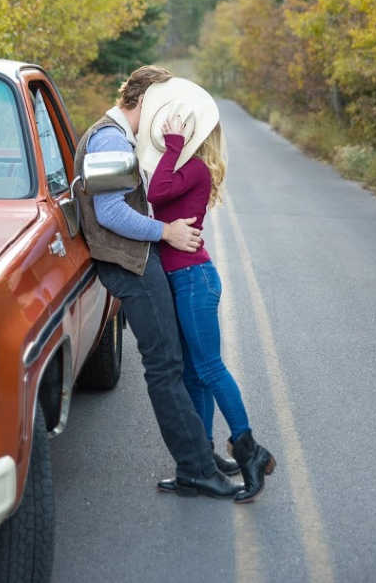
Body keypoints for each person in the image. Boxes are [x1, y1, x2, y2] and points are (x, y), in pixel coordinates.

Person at [73, 65, 239, 499]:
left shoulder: (118, 138)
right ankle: (194, 468)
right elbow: (110, 213)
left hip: (135, 260)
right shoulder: (109, 137)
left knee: (172, 363)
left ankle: (198, 459)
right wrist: (166, 233)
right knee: (165, 367)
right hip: (130, 264)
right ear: (144, 101)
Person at [136, 76, 276, 503]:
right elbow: (152, 190)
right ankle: (199, 460)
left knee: (210, 368)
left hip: (194, 280)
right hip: (184, 279)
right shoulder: (181, 166)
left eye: (181, 130)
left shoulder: (191, 167)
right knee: (194, 375)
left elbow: (157, 192)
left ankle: (250, 449)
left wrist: (174, 144)